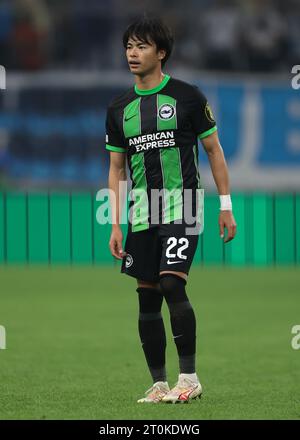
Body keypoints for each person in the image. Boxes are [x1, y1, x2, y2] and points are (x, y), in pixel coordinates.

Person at [106, 15, 237, 404]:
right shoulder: (119, 108)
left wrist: (225, 206)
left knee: (170, 283)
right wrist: (116, 223)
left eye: (142, 46)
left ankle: (190, 378)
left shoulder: (188, 96)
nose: (133, 52)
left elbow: (213, 151)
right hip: (143, 212)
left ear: (161, 53)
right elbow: (116, 169)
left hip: (185, 205)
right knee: (146, 295)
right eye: (129, 45)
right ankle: (160, 384)